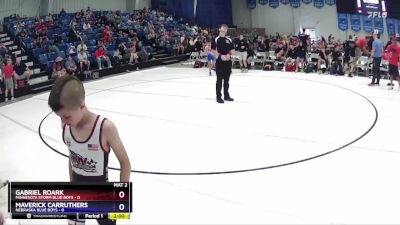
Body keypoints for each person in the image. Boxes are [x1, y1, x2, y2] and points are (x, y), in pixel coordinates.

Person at [47, 76, 131, 225]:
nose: (63, 122)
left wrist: (120, 198)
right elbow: (72, 156)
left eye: (66, 116)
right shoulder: (66, 127)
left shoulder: (105, 128)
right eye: (60, 117)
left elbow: (125, 164)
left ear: (82, 105)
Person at [211, 24, 235, 104]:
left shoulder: (229, 40)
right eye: (223, 27)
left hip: (228, 62)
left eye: (226, 28)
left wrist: (229, 54)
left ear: (227, 30)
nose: (224, 28)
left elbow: (233, 50)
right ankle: (218, 97)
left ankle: (226, 95)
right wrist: (220, 56)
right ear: (219, 29)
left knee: (227, 81)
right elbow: (213, 50)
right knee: (219, 80)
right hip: (220, 62)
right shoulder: (215, 39)